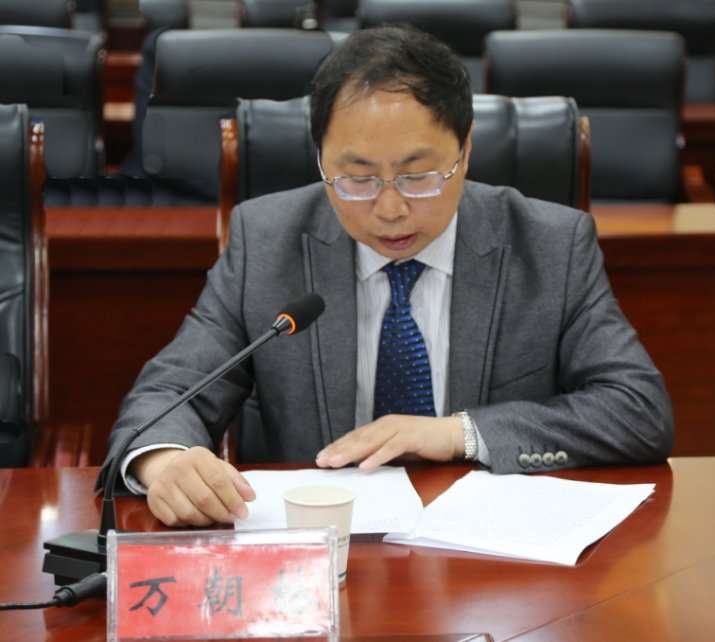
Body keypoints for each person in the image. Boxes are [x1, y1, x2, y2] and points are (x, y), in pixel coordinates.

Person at [98, 25, 673, 528]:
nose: (391, 209)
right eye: (357, 178)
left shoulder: (549, 245)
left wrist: (457, 433)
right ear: (320, 159)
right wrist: (165, 461)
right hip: (320, 550)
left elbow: (638, 410)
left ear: (466, 150)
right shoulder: (266, 241)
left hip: (492, 565)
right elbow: (170, 393)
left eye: (419, 177)